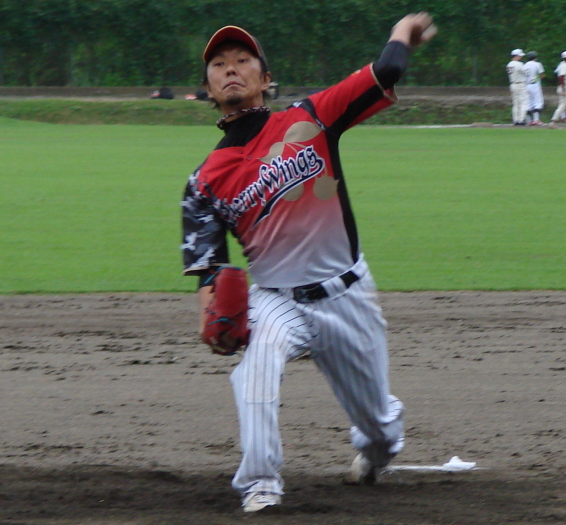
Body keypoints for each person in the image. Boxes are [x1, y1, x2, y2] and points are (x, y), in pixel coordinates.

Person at [181, 13, 437, 513]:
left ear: (265, 78)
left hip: (348, 296)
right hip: (277, 302)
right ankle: (261, 485)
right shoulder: (203, 182)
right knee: (255, 369)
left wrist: (402, 34)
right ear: (207, 88)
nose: (230, 68)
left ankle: (375, 450)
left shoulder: (311, 117)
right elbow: (209, 270)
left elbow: (386, 72)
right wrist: (212, 321)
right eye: (218, 64)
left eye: (243, 59)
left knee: (381, 429)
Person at [523, 51, 545, 125]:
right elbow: (542, 75)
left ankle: (528, 120)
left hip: (526, 85)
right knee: (538, 102)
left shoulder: (524, 65)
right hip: (535, 84)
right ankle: (536, 119)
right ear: (535, 57)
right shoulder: (537, 64)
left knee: (528, 103)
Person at [506, 49, 528, 125]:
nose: (521, 57)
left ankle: (515, 120)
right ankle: (521, 120)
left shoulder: (509, 64)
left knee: (515, 103)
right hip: (520, 84)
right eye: (520, 56)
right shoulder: (519, 64)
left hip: (512, 84)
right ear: (517, 56)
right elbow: (525, 72)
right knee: (523, 102)